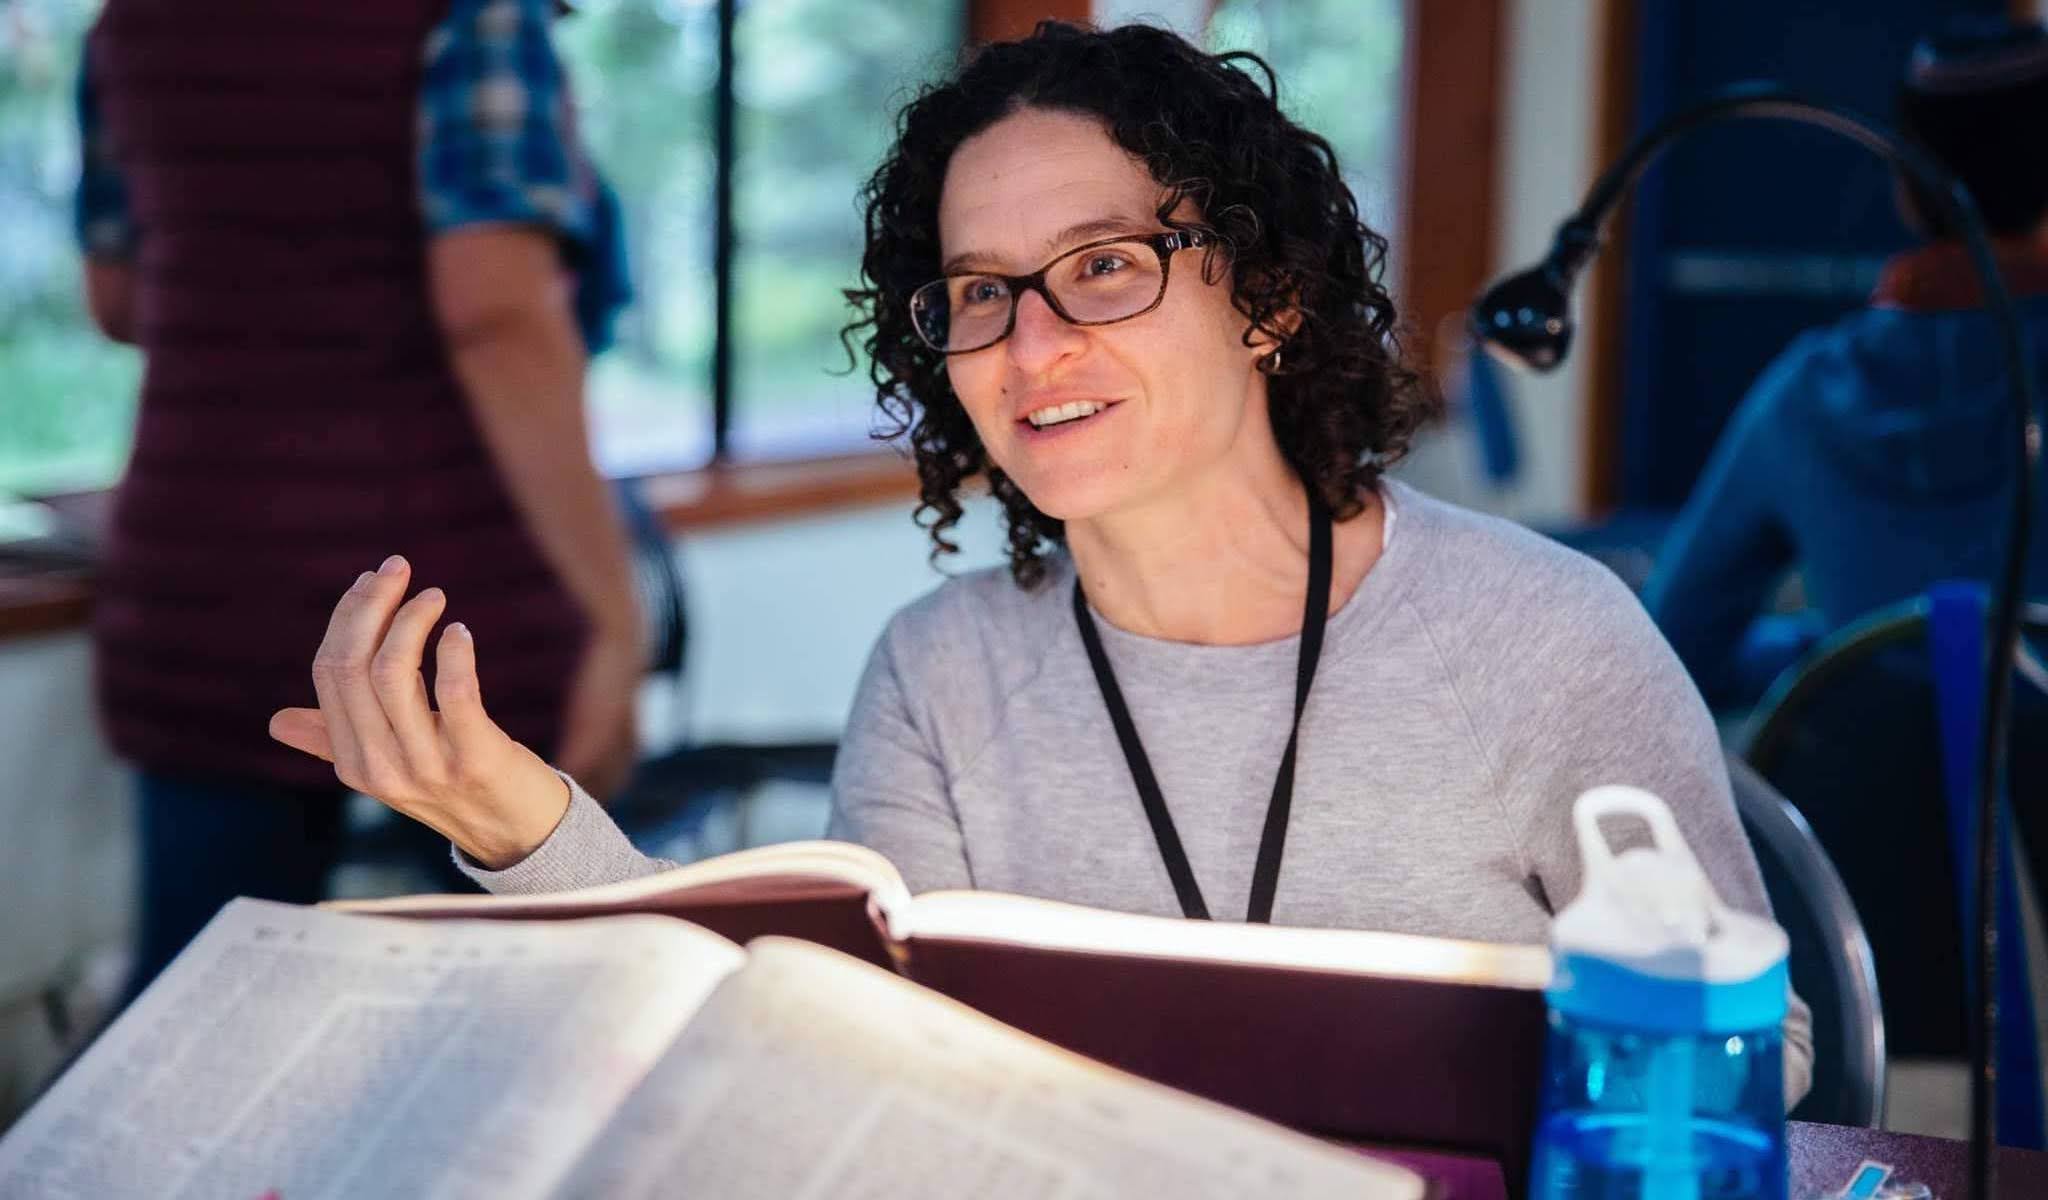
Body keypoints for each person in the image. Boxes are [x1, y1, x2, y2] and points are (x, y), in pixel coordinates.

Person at [270, 21, 1812, 1100]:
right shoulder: (945, 673)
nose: (1035, 342)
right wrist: (520, 825)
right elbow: (830, 1047)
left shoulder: (1546, 638)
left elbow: (1777, 1055)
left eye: (1104, 267)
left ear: (1265, 295)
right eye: (979, 293)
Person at [77, 0, 640, 997]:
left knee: (203, 1007)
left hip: (204, 581)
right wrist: (614, 615)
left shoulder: (129, 23)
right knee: (527, 1000)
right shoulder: (470, 16)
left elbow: (118, 301)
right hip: (447, 598)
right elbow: (496, 310)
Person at [1645, 18, 2048, 709]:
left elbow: (1669, 654)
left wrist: (1846, 652)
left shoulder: (1800, 400)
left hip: (1860, 815)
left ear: (1905, 186)